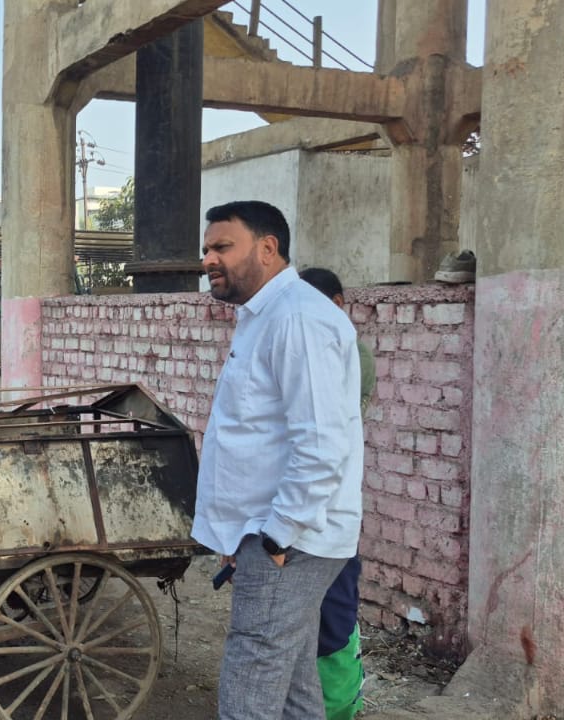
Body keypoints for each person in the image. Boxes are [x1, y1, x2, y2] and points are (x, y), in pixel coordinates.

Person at [193, 201, 364, 720]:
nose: (209, 260)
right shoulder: (264, 317)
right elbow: (255, 436)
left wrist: (275, 536)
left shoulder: (297, 319)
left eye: (223, 247)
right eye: (206, 249)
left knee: (252, 684)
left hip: (291, 538)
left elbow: (321, 443)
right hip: (271, 533)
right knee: (292, 684)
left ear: (268, 249)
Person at [299, 266, 376, 720]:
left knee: (335, 619)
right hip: (310, 513)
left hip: (331, 513)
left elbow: (327, 440)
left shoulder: (350, 353)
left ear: (339, 305)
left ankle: (339, 707)